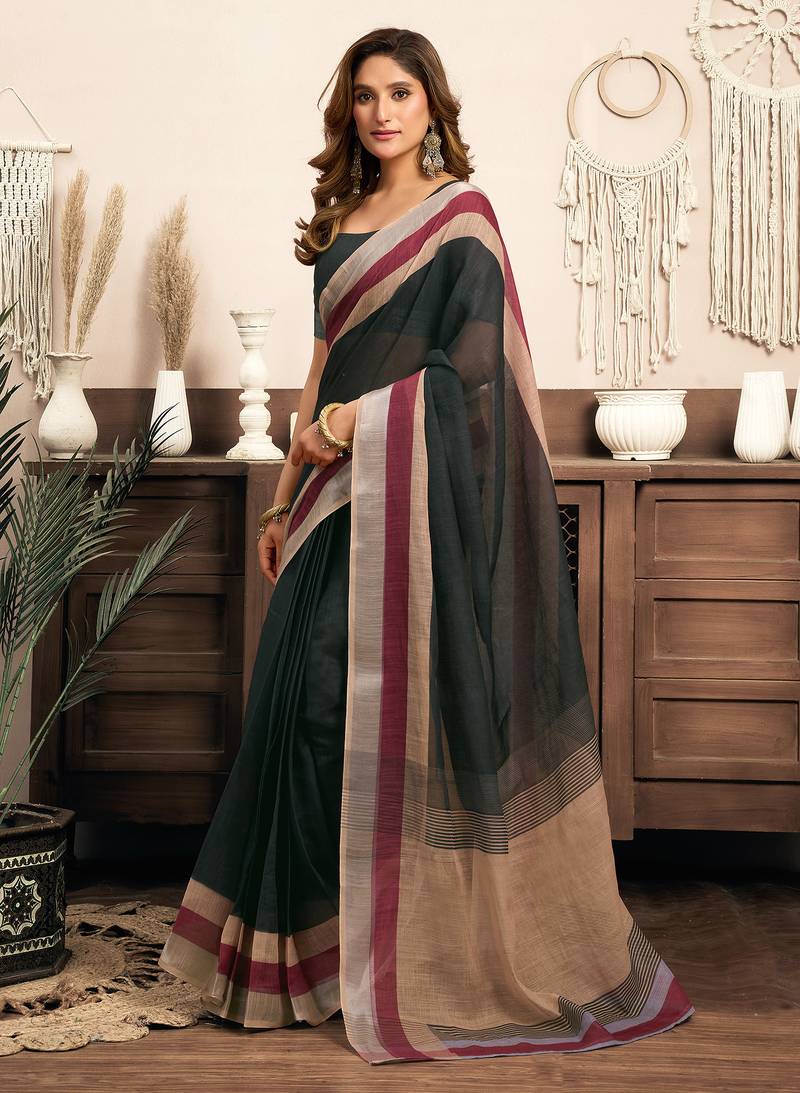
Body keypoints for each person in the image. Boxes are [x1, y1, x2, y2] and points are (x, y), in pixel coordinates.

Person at [158, 27, 695, 1065]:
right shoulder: (336, 226)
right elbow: (320, 370)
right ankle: (307, 957)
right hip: (326, 506)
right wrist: (279, 502)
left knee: (359, 716)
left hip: (410, 507)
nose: (381, 112)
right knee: (297, 714)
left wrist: (362, 421)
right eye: (365, 96)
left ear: (432, 105)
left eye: (400, 93)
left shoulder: (461, 222)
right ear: (348, 112)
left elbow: (473, 378)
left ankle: (399, 950)